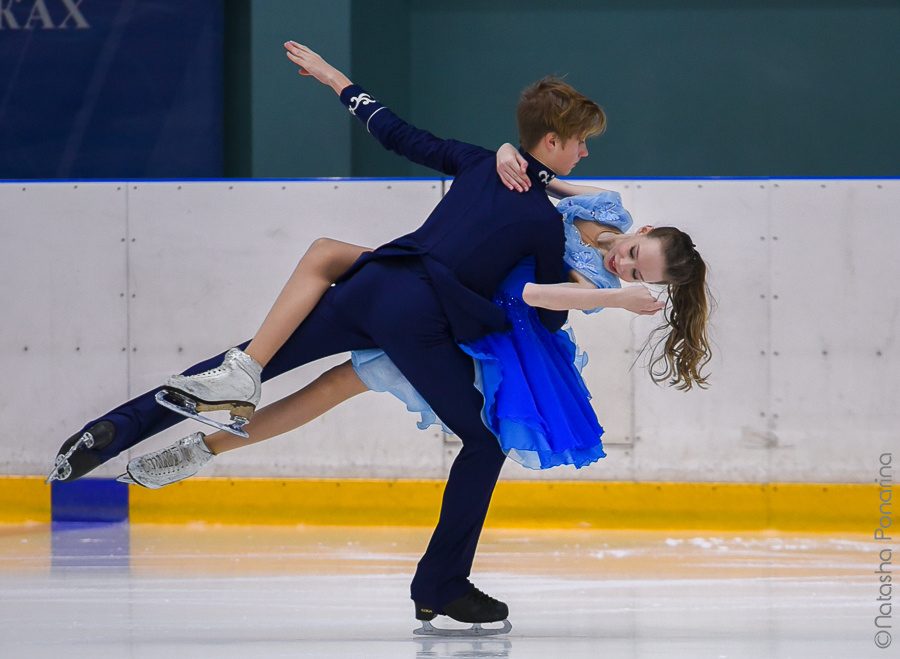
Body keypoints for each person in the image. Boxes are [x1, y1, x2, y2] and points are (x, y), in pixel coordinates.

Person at [46, 41, 625, 631]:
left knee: (246, 363)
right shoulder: (540, 223)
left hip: (374, 281)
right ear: (552, 141)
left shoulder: (480, 162)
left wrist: (335, 79)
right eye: (580, 143)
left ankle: (116, 430)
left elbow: (396, 132)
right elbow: (550, 318)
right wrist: (593, 283)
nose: (584, 153)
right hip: (419, 317)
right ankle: (441, 583)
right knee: (483, 444)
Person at [121, 180, 711, 486]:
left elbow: (532, 295)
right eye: (635, 254)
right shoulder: (609, 206)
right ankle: (244, 369)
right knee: (331, 256)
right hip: (442, 268)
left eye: (637, 275)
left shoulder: (596, 285)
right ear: (644, 228)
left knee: (335, 385)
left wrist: (613, 295)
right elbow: (536, 182)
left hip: (475, 324)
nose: (623, 266)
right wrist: (508, 154)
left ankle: (201, 449)